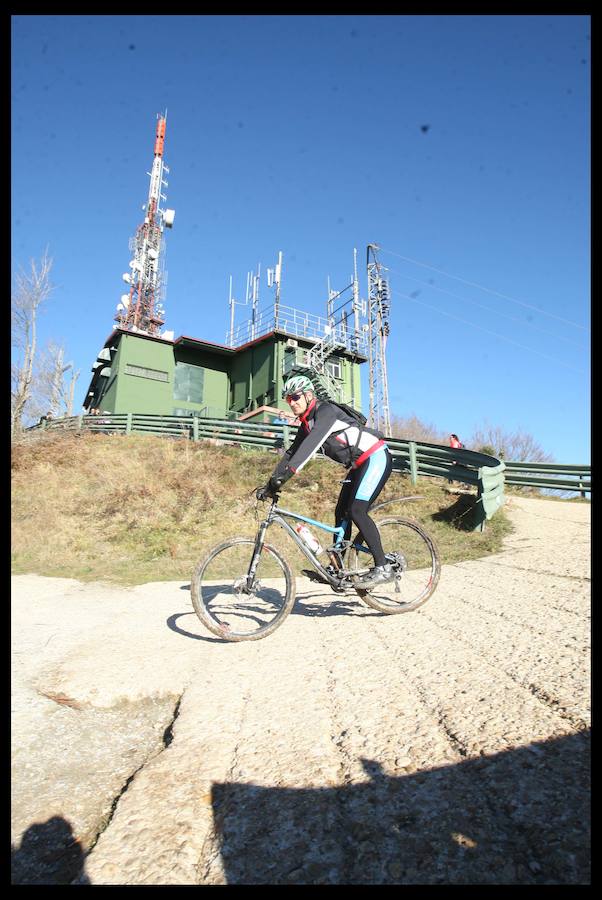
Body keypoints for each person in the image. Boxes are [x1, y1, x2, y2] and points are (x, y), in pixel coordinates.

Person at [256, 375, 394, 588]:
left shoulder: (325, 411)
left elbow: (310, 445)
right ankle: (338, 569)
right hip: (358, 465)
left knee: (357, 511)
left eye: (295, 397)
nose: (291, 403)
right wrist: (270, 483)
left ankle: (383, 567)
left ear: (308, 395)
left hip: (376, 457)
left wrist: (287, 475)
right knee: (341, 512)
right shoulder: (306, 424)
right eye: (287, 399)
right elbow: (291, 453)